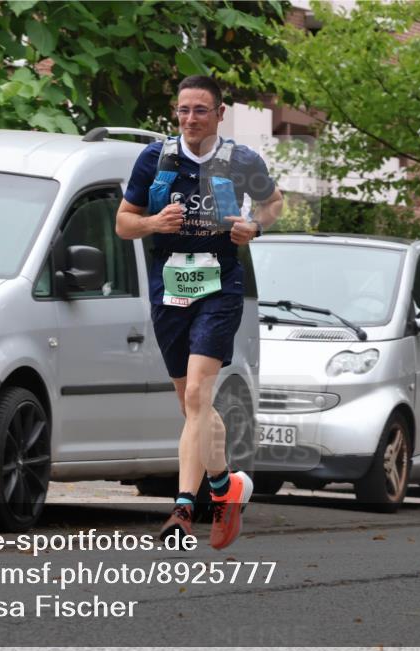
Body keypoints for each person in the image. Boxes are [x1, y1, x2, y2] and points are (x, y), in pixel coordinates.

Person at [116, 76, 283, 550]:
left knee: (197, 396)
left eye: (201, 111)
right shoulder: (155, 158)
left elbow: (272, 203)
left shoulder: (241, 161)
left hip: (220, 284)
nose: (191, 119)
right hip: (168, 284)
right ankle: (223, 484)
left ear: (219, 113)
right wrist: (152, 222)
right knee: (193, 404)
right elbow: (123, 223)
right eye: (184, 110)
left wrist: (254, 226)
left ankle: (183, 509)